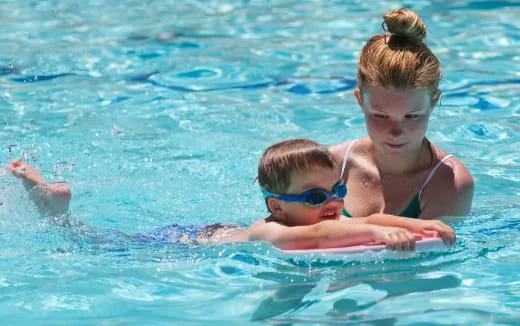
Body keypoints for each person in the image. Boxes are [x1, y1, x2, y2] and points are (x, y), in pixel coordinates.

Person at [6, 139, 455, 250]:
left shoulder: (320, 217)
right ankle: (53, 212)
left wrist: (423, 225)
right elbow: (333, 237)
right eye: (316, 197)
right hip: (178, 245)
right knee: (94, 245)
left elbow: (359, 222)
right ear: (277, 206)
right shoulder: (272, 232)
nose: (335, 202)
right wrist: (392, 235)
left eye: (337, 190)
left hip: (211, 229)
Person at [329, 8, 474, 219]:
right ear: (360, 100)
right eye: (380, 116)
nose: (396, 132)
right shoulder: (330, 165)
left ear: (433, 103)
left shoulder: (449, 184)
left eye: (412, 116)